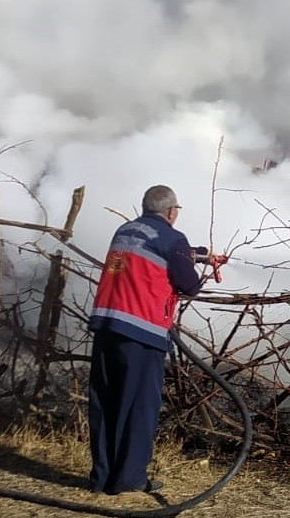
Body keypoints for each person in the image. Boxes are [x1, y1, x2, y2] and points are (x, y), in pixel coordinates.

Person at [87, 185, 205, 495]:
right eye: (177, 210)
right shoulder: (173, 238)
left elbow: (149, 260)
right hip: (141, 332)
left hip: (107, 324)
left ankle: (101, 478)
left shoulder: (124, 230)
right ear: (170, 212)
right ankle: (129, 480)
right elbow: (189, 285)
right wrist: (197, 268)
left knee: (106, 402)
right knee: (140, 407)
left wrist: (194, 254)